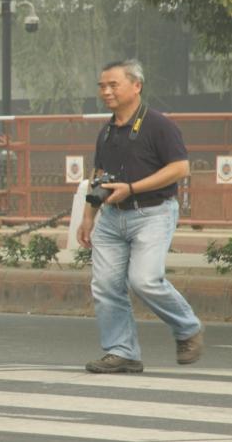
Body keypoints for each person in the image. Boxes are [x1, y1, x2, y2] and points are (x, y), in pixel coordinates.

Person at [77, 59, 203, 374]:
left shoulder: (159, 125)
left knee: (144, 280)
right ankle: (122, 352)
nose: (106, 91)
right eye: (101, 85)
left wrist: (132, 188)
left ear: (136, 85)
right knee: (105, 285)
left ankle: (187, 329)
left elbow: (180, 168)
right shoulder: (106, 131)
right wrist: (88, 216)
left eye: (113, 84)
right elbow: (100, 174)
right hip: (111, 217)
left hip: (153, 213)